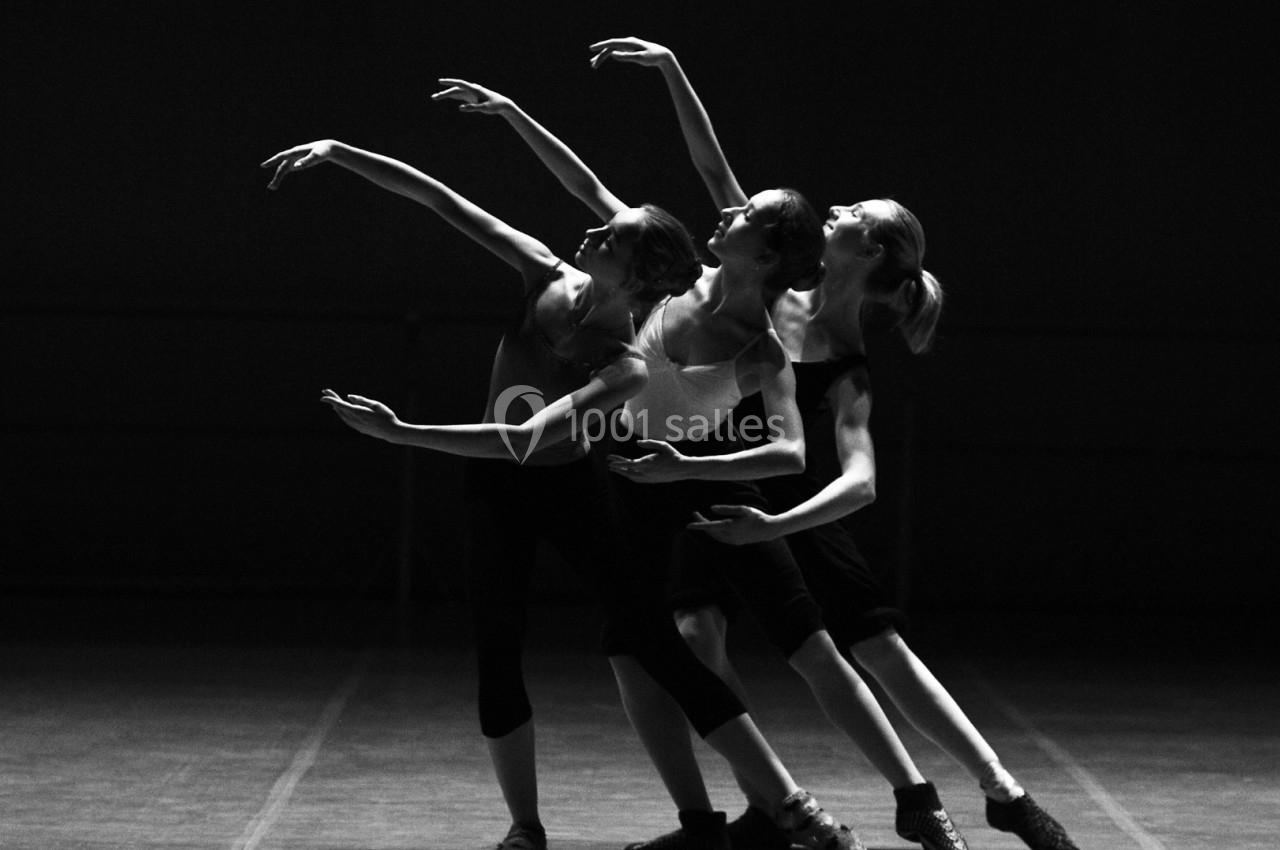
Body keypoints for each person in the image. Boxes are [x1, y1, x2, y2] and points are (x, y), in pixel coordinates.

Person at [261, 125, 858, 850]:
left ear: (633, 276)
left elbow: (525, 436)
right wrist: (340, 153)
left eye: (609, 236)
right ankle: (525, 827)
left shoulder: (624, 362)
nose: (591, 230)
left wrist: (402, 433)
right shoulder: (543, 272)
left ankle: (793, 807)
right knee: (498, 644)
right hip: (497, 493)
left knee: (653, 642)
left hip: (573, 490)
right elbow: (444, 201)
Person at [429, 77, 961, 850]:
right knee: (644, 646)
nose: (726, 211)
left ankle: (894, 795)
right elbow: (600, 184)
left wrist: (689, 471)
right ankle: (720, 817)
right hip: (627, 482)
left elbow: (788, 449)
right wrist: (521, 114)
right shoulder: (675, 277)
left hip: (703, 484)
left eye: (745, 216)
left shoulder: (763, 342)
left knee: (804, 642)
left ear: (771, 249)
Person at [589, 36, 1081, 850]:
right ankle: (763, 805)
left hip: (789, 503)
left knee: (871, 643)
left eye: (853, 214)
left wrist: (778, 526)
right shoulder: (774, 289)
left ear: (873, 250)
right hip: (713, 482)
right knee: (693, 635)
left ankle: (995, 790)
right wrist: (674, 68)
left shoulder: (848, 363)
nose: (837, 210)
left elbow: (857, 482)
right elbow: (715, 171)